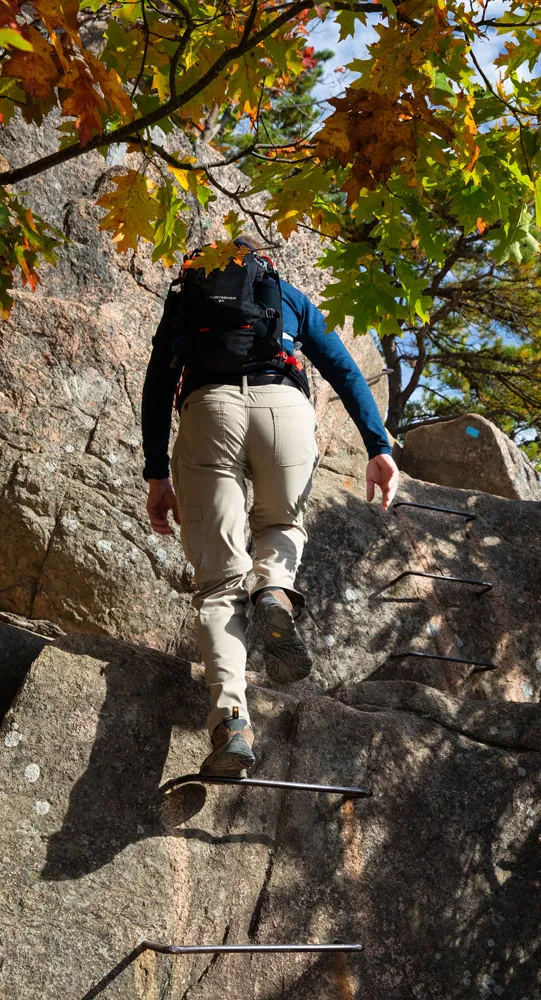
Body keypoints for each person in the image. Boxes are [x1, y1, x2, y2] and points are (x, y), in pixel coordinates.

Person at [142, 234, 399, 778]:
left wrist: (156, 472)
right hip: (284, 409)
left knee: (216, 584)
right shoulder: (285, 295)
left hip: (208, 409)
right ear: (262, 263)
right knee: (281, 522)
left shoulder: (185, 298)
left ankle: (232, 720)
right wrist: (378, 446)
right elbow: (343, 369)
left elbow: (159, 380)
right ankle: (275, 588)